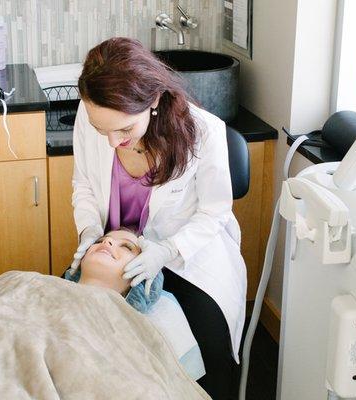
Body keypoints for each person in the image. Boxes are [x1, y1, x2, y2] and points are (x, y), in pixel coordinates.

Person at [70, 37, 246, 400]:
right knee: (72, 327)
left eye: (124, 130)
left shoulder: (203, 132)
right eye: (102, 129)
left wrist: (166, 251)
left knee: (212, 351)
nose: (111, 141)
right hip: (118, 246)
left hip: (188, 255)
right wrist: (89, 232)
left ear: (152, 102)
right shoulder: (93, 115)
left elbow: (214, 212)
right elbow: (83, 184)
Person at [65, 228, 164, 313]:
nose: (107, 240)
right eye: (99, 241)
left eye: (126, 247)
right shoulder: (50, 287)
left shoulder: (121, 332)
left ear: (140, 279)